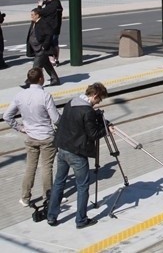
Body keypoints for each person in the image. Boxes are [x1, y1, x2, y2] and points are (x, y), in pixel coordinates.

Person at [47, 82, 109, 229]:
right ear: (94, 95)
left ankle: (51, 216)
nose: (97, 103)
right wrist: (106, 130)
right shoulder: (87, 111)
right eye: (98, 100)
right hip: (77, 153)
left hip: (62, 148)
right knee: (82, 186)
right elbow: (93, 134)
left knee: (58, 183)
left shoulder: (71, 103)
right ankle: (81, 219)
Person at [3, 67, 60, 207]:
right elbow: (56, 119)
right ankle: (48, 196)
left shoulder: (20, 96)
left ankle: (25, 197)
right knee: (47, 167)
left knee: (30, 167)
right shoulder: (45, 96)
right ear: (41, 79)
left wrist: (19, 127)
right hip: (46, 136)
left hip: (30, 136)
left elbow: (6, 116)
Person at [25, 7, 60, 87]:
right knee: (47, 64)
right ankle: (55, 79)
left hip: (42, 49)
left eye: (33, 15)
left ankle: (29, 82)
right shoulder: (34, 22)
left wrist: (44, 46)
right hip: (36, 48)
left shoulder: (43, 22)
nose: (31, 16)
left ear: (37, 15)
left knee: (36, 67)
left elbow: (49, 34)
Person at [39, 0, 63, 67]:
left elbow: (41, 12)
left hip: (50, 28)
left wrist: (40, 6)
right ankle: (56, 59)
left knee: (50, 44)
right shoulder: (58, 4)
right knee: (55, 43)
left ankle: (52, 61)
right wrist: (46, 2)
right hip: (57, 28)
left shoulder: (52, 6)